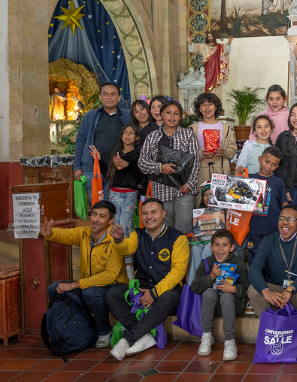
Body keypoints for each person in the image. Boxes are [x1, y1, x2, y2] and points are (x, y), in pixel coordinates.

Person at [107, 198, 189, 360]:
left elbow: (178, 272)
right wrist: (119, 239)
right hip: (141, 291)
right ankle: (143, 336)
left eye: (153, 212)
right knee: (112, 294)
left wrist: (154, 293)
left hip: (167, 293)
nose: (149, 217)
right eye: (144, 213)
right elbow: (126, 248)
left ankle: (130, 338)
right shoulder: (137, 234)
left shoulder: (178, 238)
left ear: (163, 214)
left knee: (167, 298)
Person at [40, 201, 129, 349]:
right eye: (94, 214)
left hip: (114, 287)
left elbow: (109, 276)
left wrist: (74, 285)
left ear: (111, 220)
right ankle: (80, 326)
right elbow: (67, 235)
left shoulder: (115, 240)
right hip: (88, 284)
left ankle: (104, 332)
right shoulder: (85, 233)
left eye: (102, 216)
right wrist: (50, 233)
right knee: (53, 288)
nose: (95, 219)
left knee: (90, 293)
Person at [247, 204, 297, 356]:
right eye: (282, 218)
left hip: (296, 292)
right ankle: (272, 331)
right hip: (276, 295)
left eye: (291, 219)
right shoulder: (269, 240)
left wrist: (291, 289)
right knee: (253, 290)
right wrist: (266, 292)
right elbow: (254, 269)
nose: (285, 223)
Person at [138, 101, 200, 234]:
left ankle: (183, 255)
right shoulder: (152, 137)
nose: (172, 116)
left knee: (184, 231)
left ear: (180, 117)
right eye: (168, 113)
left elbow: (195, 162)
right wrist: (160, 167)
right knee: (164, 231)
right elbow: (142, 162)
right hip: (162, 191)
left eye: (176, 113)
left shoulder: (188, 135)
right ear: (161, 115)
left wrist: (190, 184)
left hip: (184, 191)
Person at [191, 229, 250, 361]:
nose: (220, 249)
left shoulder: (238, 263)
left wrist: (233, 289)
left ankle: (229, 341)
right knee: (208, 292)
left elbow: (247, 287)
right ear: (211, 247)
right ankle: (206, 335)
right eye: (217, 245)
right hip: (213, 307)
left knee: (227, 296)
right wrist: (211, 277)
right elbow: (195, 287)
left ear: (232, 247)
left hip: (233, 306)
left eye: (225, 245)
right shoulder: (206, 263)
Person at [73, 82, 131, 198]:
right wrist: (77, 167)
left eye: (113, 94)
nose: (109, 97)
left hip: (117, 170)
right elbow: (81, 141)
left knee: (115, 208)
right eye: (105, 94)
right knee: (97, 208)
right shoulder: (91, 116)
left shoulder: (127, 117)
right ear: (100, 97)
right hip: (93, 169)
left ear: (119, 98)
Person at [89, 124, 143, 237]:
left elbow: (140, 177)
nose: (127, 135)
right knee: (114, 227)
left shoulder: (139, 154)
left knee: (125, 227)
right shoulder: (115, 153)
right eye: (125, 132)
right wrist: (98, 160)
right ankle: (116, 254)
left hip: (129, 195)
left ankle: (128, 255)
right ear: (121, 136)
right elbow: (108, 175)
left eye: (131, 132)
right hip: (114, 194)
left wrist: (127, 165)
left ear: (137, 137)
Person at [190, 92, 237, 205]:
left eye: (210, 104)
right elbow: (188, 153)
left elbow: (232, 150)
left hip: (220, 168)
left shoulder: (225, 128)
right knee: (201, 201)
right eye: (203, 104)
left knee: (222, 201)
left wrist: (224, 151)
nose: (207, 107)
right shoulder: (193, 128)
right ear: (199, 109)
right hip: (201, 169)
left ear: (216, 107)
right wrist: (201, 154)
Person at [246, 147, 288, 266]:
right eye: (267, 161)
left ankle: (270, 284)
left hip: (273, 229)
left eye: (274, 165)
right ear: (260, 159)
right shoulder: (249, 178)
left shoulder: (279, 182)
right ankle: (254, 284)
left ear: (277, 166)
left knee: (272, 261)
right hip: (253, 228)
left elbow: (284, 204)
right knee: (254, 261)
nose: (269, 167)